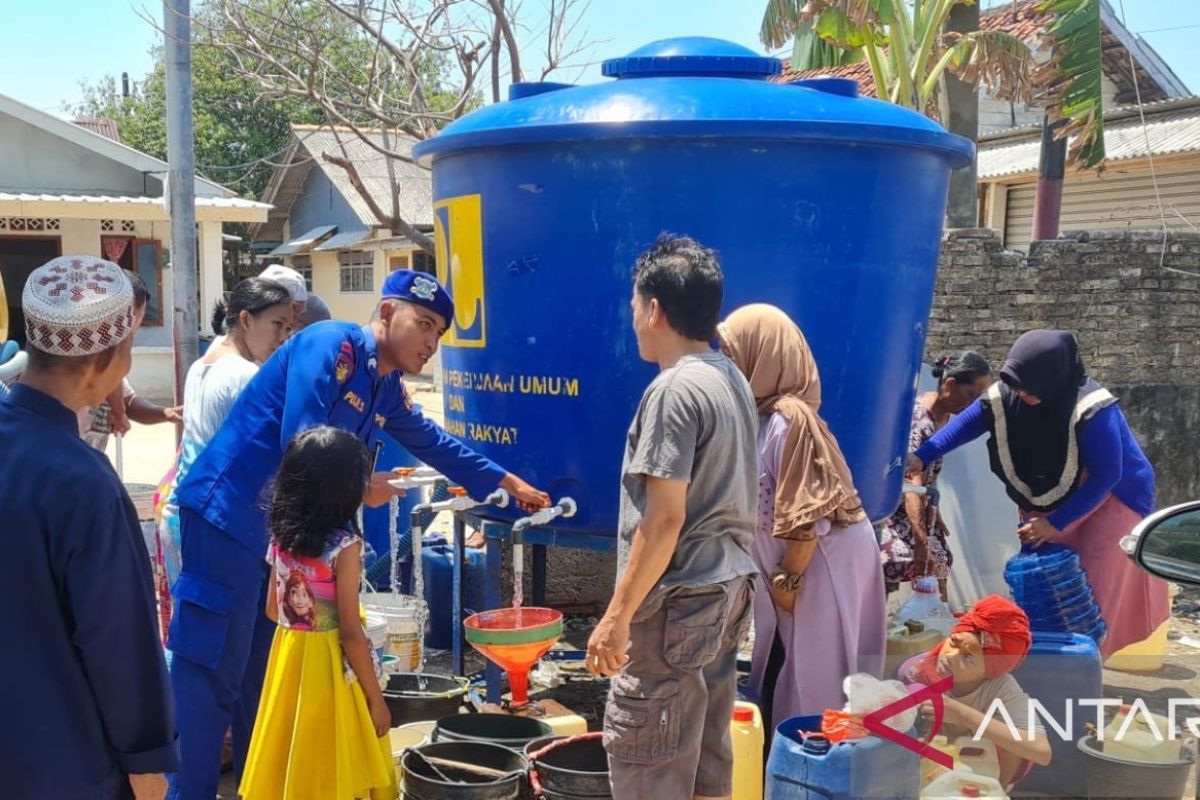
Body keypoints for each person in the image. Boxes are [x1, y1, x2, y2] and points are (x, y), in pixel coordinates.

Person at [168, 269, 549, 799]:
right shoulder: (329, 344)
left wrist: (503, 481)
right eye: (424, 325)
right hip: (229, 518)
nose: (432, 344)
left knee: (264, 675)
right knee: (210, 672)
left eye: (440, 334)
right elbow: (301, 437)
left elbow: (433, 442)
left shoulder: (383, 385)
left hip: (279, 538)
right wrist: (361, 483)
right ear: (388, 313)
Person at [0, 256, 178, 799]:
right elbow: (119, 643)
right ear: (109, 359)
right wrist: (147, 765)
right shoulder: (83, 481)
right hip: (62, 762)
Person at [587, 235, 757, 800]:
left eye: (635, 306)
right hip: (724, 591)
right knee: (707, 760)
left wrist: (616, 616)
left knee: (650, 764)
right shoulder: (729, 377)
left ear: (655, 308)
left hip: (677, 604)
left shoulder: (674, 390)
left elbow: (663, 522)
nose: (633, 319)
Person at [910, 330, 1169, 659]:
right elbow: (965, 426)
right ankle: (1046, 662)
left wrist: (1056, 523)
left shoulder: (1092, 407)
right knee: (1040, 584)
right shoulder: (1009, 392)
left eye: (1030, 388)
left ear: (1053, 380)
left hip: (1107, 499)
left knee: (1088, 591)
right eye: (1016, 386)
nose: (1021, 394)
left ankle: (1083, 670)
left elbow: (1108, 473)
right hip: (1048, 496)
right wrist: (923, 454)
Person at [717, 303, 887, 730]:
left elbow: (807, 517)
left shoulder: (790, 419)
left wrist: (787, 582)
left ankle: (815, 766)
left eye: (734, 353)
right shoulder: (760, 418)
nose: (727, 364)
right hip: (792, 568)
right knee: (781, 663)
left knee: (817, 674)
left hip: (818, 562)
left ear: (764, 355)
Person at [239, 427, 397, 800]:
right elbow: (349, 633)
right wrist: (377, 701)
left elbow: (271, 609)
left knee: (292, 755)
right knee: (336, 759)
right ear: (342, 491)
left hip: (289, 660)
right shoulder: (345, 547)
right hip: (331, 667)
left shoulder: (281, 538)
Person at [158, 277, 295, 594]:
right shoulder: (246, 376)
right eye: (277, 324)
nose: (283, 338)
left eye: (288, 328)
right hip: (215, 524)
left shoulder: (200, 366)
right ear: (246, 319)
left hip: (180, 514)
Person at [907, 595, 1052, 789]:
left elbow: (1041, 752)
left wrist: (963, 715)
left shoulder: (1001, 687)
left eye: (968, 658)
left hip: (981, 775)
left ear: (989, 672)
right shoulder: (919, 672)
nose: (950, 656)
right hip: (927, 773)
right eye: (953, 642)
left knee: (1012, 741)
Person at [880, 352, 992, 600]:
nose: (974, 405)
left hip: (922, 508)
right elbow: (911, 481)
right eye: (972, 395)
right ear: (950, 385)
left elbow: (929, 474)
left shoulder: (946, 417)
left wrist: (935, 512)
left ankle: (933, 624)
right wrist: (922, 544)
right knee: (907, 560)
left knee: (939, 562)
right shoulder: (917, 419)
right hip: (898, 512)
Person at [79, 271, 182, 450]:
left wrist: (166, 413)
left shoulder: (113, 370)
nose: (136, 326)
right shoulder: (91, 353)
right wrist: (118, 412)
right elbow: (108, 370)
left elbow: (130, 402)